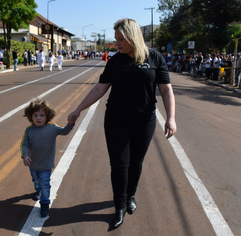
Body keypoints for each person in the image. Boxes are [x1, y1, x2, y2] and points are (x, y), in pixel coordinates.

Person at [68, 18, 177, 229]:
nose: (116, 44)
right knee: (119, 164)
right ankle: (119, 205)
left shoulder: (155, 57)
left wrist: (171, 118)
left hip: (144, 121)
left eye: (120, 39)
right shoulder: (115, 60)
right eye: (116, 39)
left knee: (136, 162)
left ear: (132, 37)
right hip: (116, 120)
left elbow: (165, 89)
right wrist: (78, 109)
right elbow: (100, 88)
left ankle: (130, 196)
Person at [20, 98, 75, 217]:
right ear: (30, 116)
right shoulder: (29, 130)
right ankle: (38, 190)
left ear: (47, 116)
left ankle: (44, 203)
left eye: (42, 115)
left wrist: (70, 124)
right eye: (35, 115)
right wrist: (25, 156)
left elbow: (64, 131)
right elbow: (24, 144)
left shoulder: (52, 128)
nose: (38, 118)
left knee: (45, 184)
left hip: (46, 165)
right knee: (36, 181)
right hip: (33, 164)